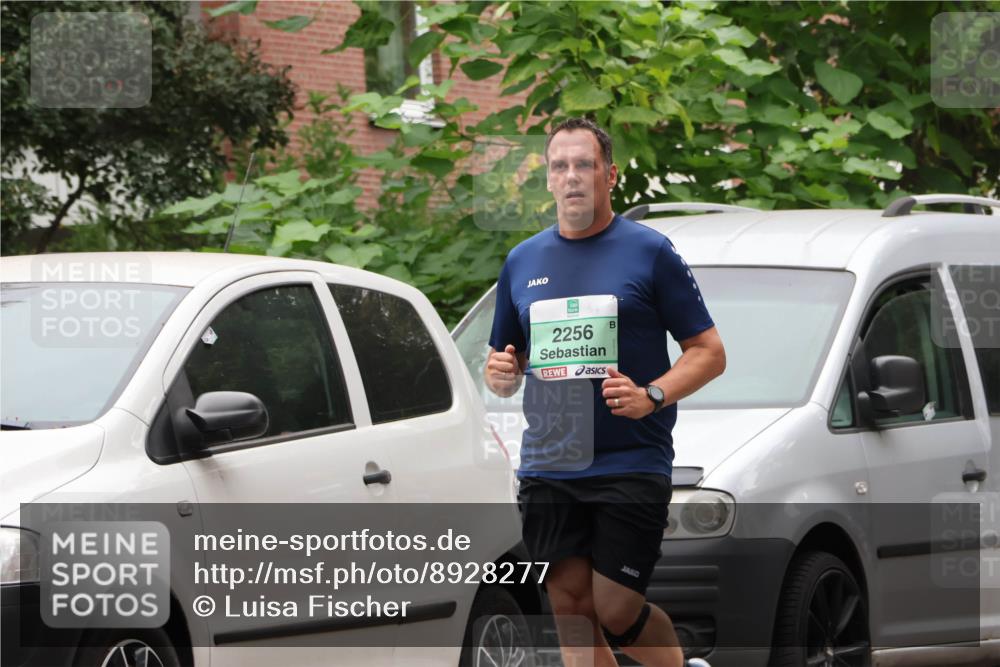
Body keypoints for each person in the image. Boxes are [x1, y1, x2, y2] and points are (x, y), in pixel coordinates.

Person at [485, 117, 726, 667]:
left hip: (629, 459)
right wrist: (498, 373)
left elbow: (709, 352)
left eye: (585, 165)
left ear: (609, 175)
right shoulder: (522, 262)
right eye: (559, 166)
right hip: (550, 462)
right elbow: (505, 363)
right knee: (571, 608)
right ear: (547, 179)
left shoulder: (648, 252)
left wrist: (653, 395)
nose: (572, 177)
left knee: (616, 609)